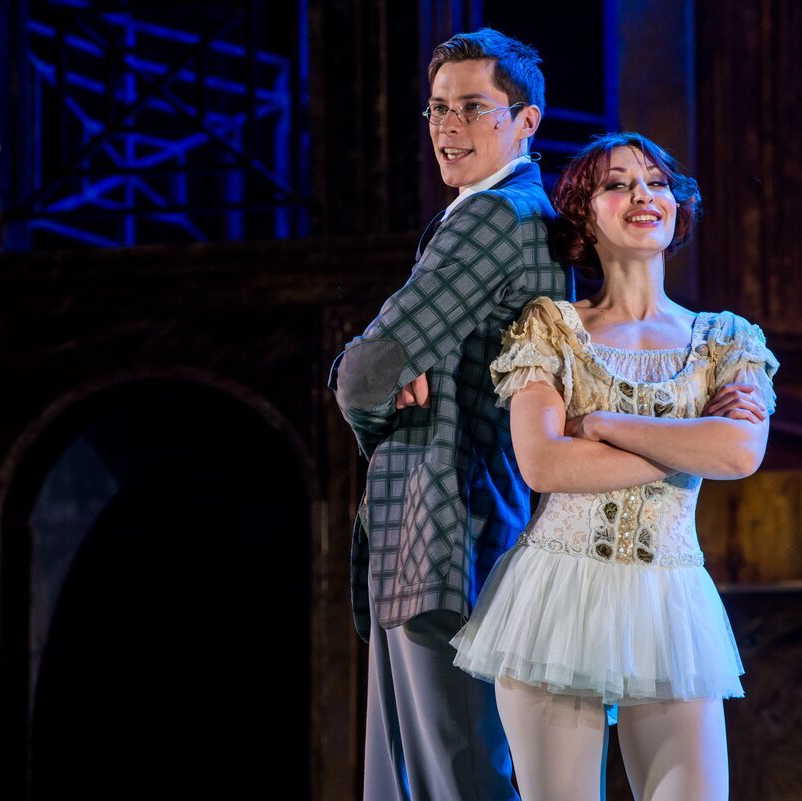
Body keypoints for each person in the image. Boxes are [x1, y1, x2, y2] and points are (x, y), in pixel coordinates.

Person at [450, 131, 779, 801]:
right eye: (618, 184)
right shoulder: (551, 327)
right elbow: (545, 464)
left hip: (669, 595)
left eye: (656, 183)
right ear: (583, 212)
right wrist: (690, 442)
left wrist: (601, 425)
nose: (643, 195)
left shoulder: (725, 338)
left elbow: (739, 453)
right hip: (556, 592)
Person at [329, 28, 574, 801]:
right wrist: (388, 376)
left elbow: (364, 373)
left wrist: (372, 401)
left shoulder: (495, 216)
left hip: (446, 530)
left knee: (453, 777)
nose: (448, 126)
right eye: (437, 108)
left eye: (472, 107)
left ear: (526, 121)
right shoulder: (506, 213)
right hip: (443, 531)